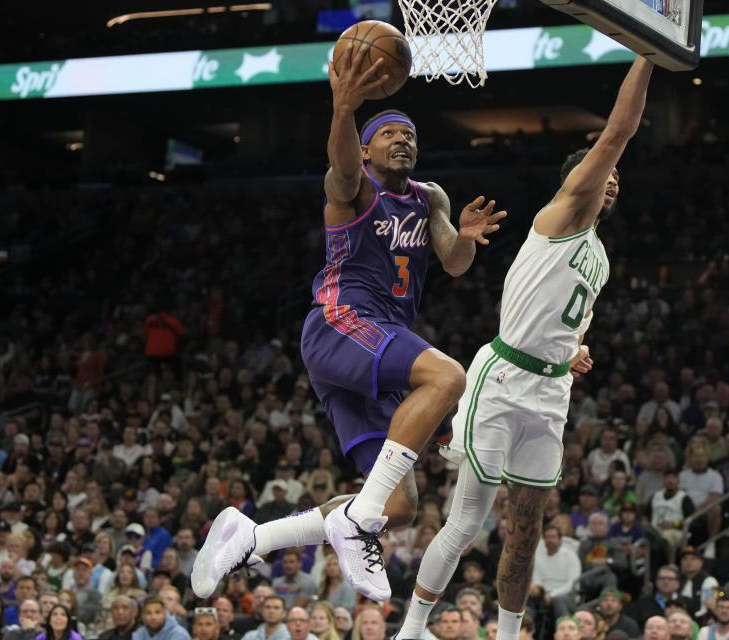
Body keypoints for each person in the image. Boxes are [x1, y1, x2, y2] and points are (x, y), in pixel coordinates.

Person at [193, 41, 506, 604]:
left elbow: (455, 265)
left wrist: (464, 237)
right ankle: (355, 525)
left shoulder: (429, 197)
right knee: (447, 378)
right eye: (389, 133)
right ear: (366, 149)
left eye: (410, 133)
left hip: (373, 349)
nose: (403, 139)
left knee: (399, 507)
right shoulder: (353, 187)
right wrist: (343, 108)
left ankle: (253, 537)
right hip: (342, 321)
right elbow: (339, 164)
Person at [394, 55, 655, 640]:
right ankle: (410, 631)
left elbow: (577, 320)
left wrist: (578, 350)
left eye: (617, 179)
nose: (612, 179)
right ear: (581, 179)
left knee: (527, 528)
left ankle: (509, 635)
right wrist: (650, 56)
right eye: (603, 173)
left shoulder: (602, 257)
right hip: (505, 376)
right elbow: (617, 133)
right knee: (467, 521)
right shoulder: (561, 214)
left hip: (551, 388)